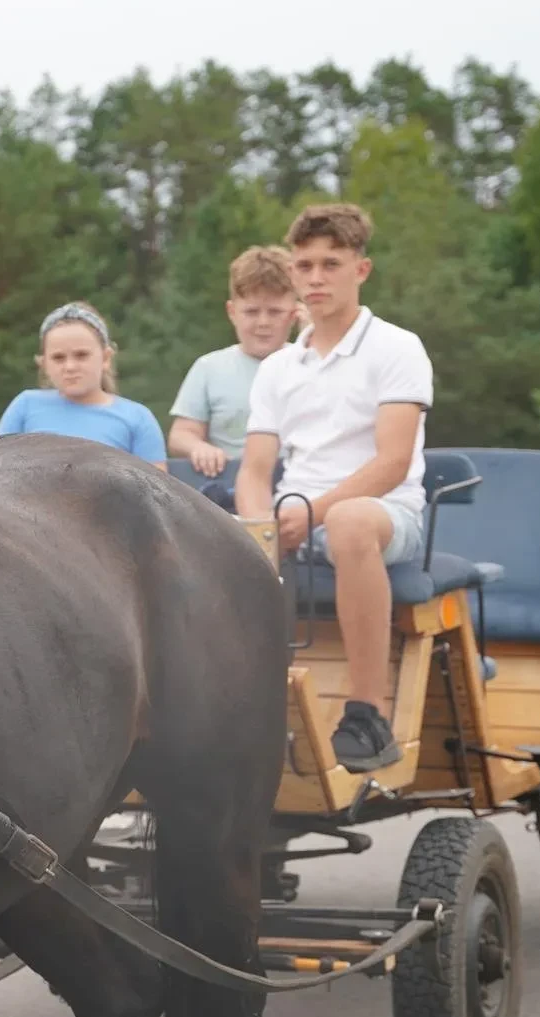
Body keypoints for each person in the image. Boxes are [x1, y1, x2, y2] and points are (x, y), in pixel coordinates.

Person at [237, 203, 432, 773]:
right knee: (198, 536)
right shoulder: (278, 367)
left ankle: (368, 714)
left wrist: (314, 514)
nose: (316, 278)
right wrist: (259, 528)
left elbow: (394, 462)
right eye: (305, 266)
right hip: (294, 517)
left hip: (383, 515)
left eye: (331, 264)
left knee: (348, 524)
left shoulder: (397, 347)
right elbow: (254, 470)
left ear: (361, 270)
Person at [168, 245, 299, 505]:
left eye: (275, 312)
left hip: (297, 489)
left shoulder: (312, 365)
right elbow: (180, 434)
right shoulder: (209, 367)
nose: (263, 322)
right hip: (228, 490)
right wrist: (199, 447)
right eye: (251, 311)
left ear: (294, 314)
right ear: (232, 312)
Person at [0, 301, 166, 466]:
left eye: (82, 355)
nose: (70, 367)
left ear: (106, 358)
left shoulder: (137, 418)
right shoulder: (25, 406)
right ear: (44, 364)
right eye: (58, 358)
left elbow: (158, 490)